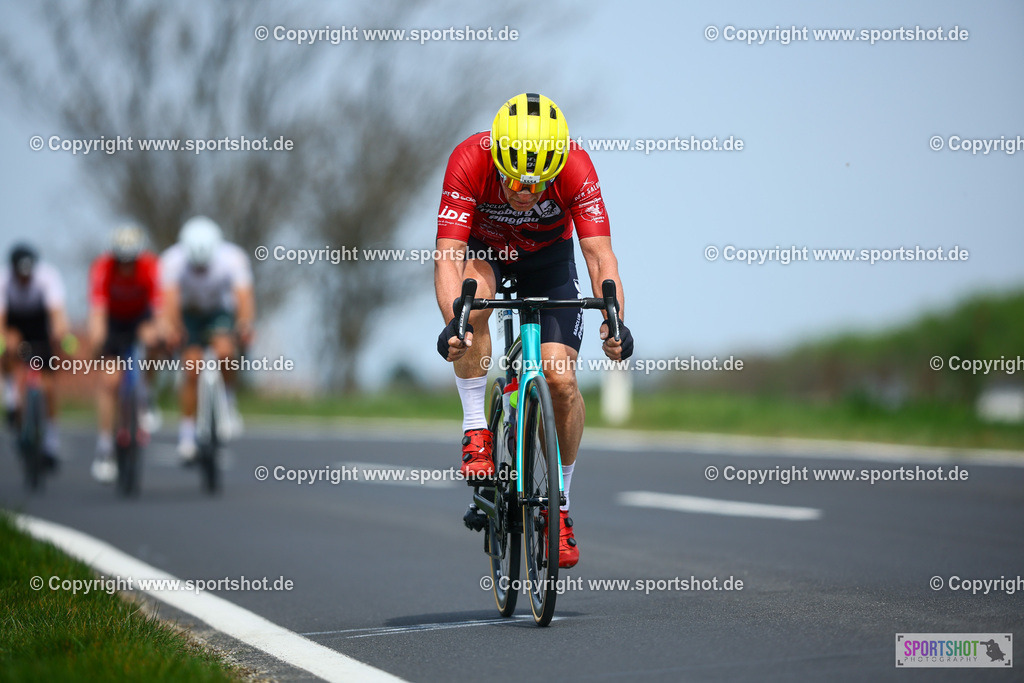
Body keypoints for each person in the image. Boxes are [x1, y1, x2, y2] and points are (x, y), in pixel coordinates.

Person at [434, 93, 634, 568]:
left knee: (560, 380)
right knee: (471, 308)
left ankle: (559, 505)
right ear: (498, 161)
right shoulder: (469, 159)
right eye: (514, 181)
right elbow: (447, 256)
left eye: (538, 184)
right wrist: (454, 325)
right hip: (486, 254)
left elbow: (599, 257)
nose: (525, 192)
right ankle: (475, 428)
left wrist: (615, 321)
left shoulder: (576, 167)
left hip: (548, 263)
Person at [160, 216, 254, 460]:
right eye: (196, 267)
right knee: (191, 367)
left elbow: (244, 297)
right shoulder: (172, 261)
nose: (200, 271)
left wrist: (244, 325)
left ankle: (228, 400)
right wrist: (173, 330)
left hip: (218, 311)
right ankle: (187, 435)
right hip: (188, 312)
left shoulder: (233, 258)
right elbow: (169, 301)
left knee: (225, 352)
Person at [87, 224, 163, 483]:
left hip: (140, 319)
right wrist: (97, 339)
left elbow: (159, 308)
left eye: (131, 261)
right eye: (122, 261)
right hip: (114, 322)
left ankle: (147, 394)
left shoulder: (151, 266)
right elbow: (97, 311)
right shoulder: (102, 268)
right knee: (109, 380)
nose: (127, 266)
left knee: (152, 340)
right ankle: (105, 448)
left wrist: (158, 333)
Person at [0, 243, 71, 469]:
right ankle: (12, 397)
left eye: (28, 274)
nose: (24, 279)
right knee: (7, 345)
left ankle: (51, 441)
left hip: (40, 327)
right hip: (15, 325)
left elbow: (58, 315)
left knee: (48, 387)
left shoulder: (47, 277)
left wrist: (61, 335)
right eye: (20, 275)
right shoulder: (3, 281)